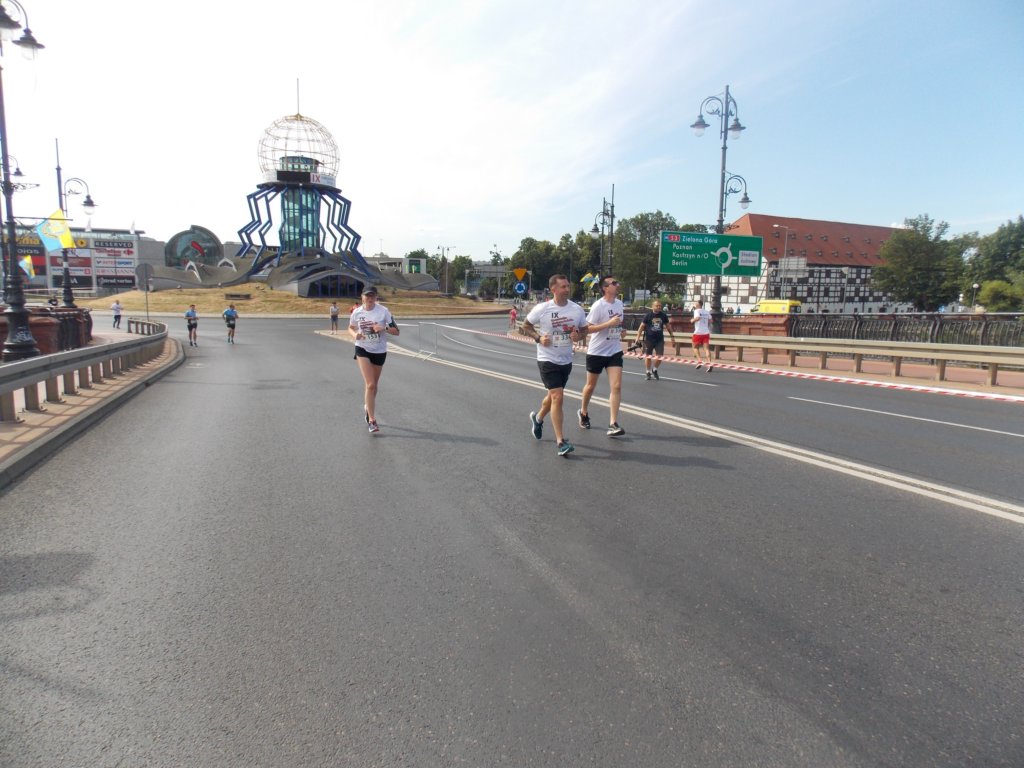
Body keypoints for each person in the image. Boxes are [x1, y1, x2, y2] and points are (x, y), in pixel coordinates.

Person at [521, 274, 588, 456]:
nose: (567, 289)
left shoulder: (576, 309)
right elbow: (526, 325)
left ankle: (538, 418)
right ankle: (561, 442)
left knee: (552, 396)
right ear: (553, 289)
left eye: (568, 286)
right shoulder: (543, 308)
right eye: (563, 286)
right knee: (558, 396)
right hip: (547, 358)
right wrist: (538, 338)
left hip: (566, 359)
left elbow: (584, 329)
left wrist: (578, 336)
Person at [578, 276, 626, 436]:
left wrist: (621, 331)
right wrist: (608, 324)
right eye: (614, 283)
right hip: (597, 351)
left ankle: (613, 423)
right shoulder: (598, 306)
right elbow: (587, 329)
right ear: (605, 288)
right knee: (590, 386)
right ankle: (583, 412)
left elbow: (618, 324)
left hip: (614, 350)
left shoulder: (619, 304)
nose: (617, 285)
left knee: (616, 386)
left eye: (617, 282)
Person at [349, 286, 399, 433]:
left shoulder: (384, 311)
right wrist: (355, 335)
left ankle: (367, 406)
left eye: (372, 296)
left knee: (374, 386)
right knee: (370, 385)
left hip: (379, 350)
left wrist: (384, 328)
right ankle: (372, 420)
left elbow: (396, 331)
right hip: (362, 348)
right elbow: (350, 327)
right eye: (367, 296)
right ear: (362, 297)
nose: (370, 299)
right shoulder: (357, 312)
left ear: (376, 297)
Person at [634, 299, 676, 381]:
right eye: (657, 306)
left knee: (660, 356)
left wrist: (672, 337)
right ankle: (648, 372)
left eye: (660, 306)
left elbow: (668, 326)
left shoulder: (663, 316)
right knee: (648, 356)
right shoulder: (648, 315)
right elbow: (641, 327)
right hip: (649, 339)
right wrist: (637, 338)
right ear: (653, 306)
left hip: (659, 340)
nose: (659, 307)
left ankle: (655, 369)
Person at [692, 299, 713, 371]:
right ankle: (709, 363)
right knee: (706, 349)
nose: (694, 305)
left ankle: (699, 361)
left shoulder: (696, 311)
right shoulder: (706, 311)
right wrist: (705, 324)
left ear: (698, 304)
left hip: (698, 332)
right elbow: (711, 320)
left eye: (695, 303)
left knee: (695, 347)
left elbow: (697, 318)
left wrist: (692, 320)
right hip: (706, 332)